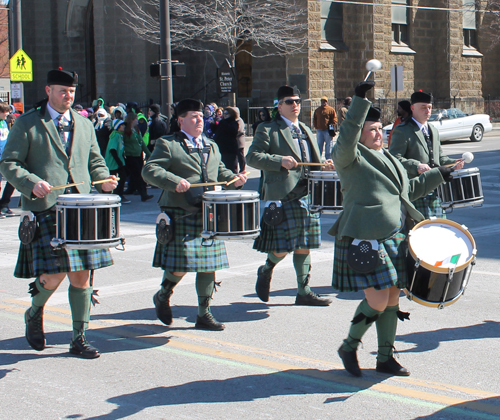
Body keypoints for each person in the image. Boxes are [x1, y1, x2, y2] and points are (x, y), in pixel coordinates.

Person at [330, 81, 451, 377]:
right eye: (372, 130)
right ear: (359, 133)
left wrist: (440, 174)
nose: (379, 134)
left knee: (393, 298)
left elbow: (408, 190)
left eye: (381, 129)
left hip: (395, 235)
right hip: (365, 237)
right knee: (378, 299)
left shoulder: (391, 159)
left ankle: (385, 358)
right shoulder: (350, 158)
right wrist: (359, 100)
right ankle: (349, 345)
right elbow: (345, 137)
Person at [0, 68, 118, 359]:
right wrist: (31, 183)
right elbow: (9, 163)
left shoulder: (85, 124)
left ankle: (79, 338)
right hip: (47, 208)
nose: (68, 96)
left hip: (82, 210)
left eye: (72, 92)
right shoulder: (27, 124)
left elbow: (95, 161)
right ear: (48, 90)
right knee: (53, 277)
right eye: (63, 91)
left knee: (82, 277)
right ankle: (34, 311)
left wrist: (104, 179)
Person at [142, 98, 248, 331]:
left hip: (209, 212)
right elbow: (150, 170)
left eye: (200, 116)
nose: (199, 119)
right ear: (180, 121)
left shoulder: (211, 145)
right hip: (180, 213)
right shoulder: (168, 144)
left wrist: (235, 180)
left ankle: (204, 313)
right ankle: (163, 294)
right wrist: (173, 181)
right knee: (181, 266)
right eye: (193, 116)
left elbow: (221, 172)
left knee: (208, 265)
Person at [246, 85, 335, 306]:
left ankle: (303, 291)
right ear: (279, 105)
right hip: (283, 194)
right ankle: (266, 269)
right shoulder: (268, 129)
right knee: (283, 247)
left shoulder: (305, 128)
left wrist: (323, 166)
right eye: (289, 102)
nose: (295, 105)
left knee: (304, 243)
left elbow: (312, 160)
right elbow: (252, 157)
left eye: (297, 101)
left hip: (307, 194)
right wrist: (279, 161)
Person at [389, 91, 464, 218]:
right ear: (413, 108)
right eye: (423, 107)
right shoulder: (402, 130)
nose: (427, 111)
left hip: (434, 189)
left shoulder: (433, 130)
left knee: (438, 228)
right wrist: (416, 166)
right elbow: (394, 158)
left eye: (429, 107)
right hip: (415, 190)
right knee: (419, 231)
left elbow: (439, 158)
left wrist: (453, 162)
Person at [122, 112, 153, 201]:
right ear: (131, 120)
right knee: (137, 175)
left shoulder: (136, 129)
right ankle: (143, 194)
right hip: (130, 156)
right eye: (135, 119)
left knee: (138, 174)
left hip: (138, 155)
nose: (137, 121)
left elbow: (141, 143)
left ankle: (140, 192)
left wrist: (148, 154)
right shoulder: (126, 131)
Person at [105, 120, 130, 204]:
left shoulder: (120, 135)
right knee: (117, 178)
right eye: (122, 125)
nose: (123, 127)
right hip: (113, 162)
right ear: (117, 126)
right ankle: (116, 195)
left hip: (119, 161)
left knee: (122, 177)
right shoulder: (115, 135)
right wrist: (119, 162)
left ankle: (119, 194)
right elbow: (112, 149)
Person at [0, 102, 16, 218]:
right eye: (4, 111)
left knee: (12, 180)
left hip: (5, 157)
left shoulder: (5, 123)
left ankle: (4, 204)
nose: (7, 113)